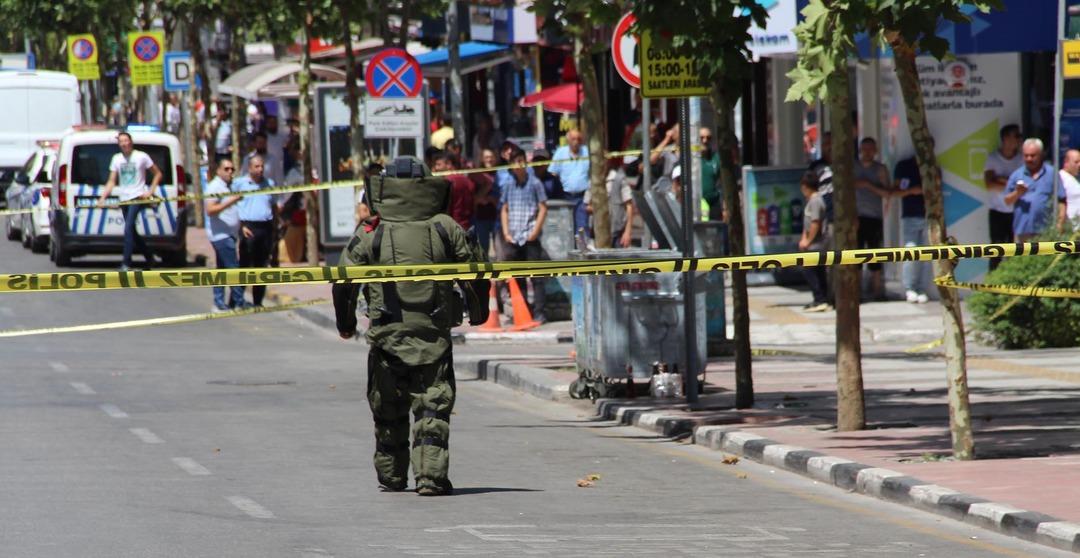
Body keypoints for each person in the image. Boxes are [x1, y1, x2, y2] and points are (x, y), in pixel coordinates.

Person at [332, 157, 477, 496]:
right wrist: (480, 312)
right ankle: (430, 477)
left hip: (387, 340)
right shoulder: (445, 227)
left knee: (388, 411)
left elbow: (343, 283)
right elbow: (476, 272)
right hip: (433, 338)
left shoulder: (371, 230)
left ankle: (392, 475)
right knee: (432, 410)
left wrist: (345, 324)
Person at [97, 132, 163, 271]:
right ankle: (149, 257)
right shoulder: (116, 159)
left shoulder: (141, 156)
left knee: (128, 229)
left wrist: (150, 191)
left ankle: (126, 263)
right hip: (124, 198)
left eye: (126, 140)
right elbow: (111, 180)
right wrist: (103, 197)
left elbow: (157, 174)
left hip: (137, 196)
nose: (124, 144)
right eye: (121, 141)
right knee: (132, 230)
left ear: (131, 142)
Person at [501, 149, 548, 323]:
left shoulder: (535, 183)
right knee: (517, 277)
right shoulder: (508, 184)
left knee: (536, 277)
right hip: (514, 237)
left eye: (521, 160)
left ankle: (540, 312)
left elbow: (543, 207)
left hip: (530, 236)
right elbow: (504, 209)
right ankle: (523, 312)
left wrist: (535, 231)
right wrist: (506, 232)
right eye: (515, 161)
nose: (518, 164)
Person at [233, 156, 277, 307]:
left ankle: (258, 302)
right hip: (248, 227)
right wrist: (241, 226)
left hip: (265, 227)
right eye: (257, 166)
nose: (260, 169)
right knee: (244, 265)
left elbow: (273, 206)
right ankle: (236, 300)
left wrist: (274, 229)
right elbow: (232, 206)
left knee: (261, 266)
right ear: (250, 168)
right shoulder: (240, 184)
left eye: (262, 166)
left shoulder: (269, 184)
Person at [204, 159, 245, 312]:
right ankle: (239, 302)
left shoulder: (228, 186)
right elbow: (210, 210)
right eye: (226, 169)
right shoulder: (214, 187)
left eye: (232, 169)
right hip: (221, 235)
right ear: (218, 171)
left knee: (222, 270)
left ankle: (219, 302)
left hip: (229, 234)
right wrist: (232, 200)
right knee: (233, 269)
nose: (230, 172)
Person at [854, 137, 892, 301]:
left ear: (875, 151)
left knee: (875, 255)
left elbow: (888, 193)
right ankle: (856, 292)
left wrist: (868, 185)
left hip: (874, 217)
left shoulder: (880, 169)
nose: (867, 153)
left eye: (870, 149)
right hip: (856, 218)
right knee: (856, 256)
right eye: (864, 149)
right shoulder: (853, 167)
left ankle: (877, 291)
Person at [1003, 138, 1061, 243]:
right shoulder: (1017, 175)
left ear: (1041, 155)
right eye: (1026, 155)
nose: (1029, 159)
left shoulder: (1051, 173)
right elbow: (1007, 201)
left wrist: (1060, 224)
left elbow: (1062, 200)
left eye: (1033, 155)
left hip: (1046, 231)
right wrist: (1018, 193)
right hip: (1023, 231)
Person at [984, 124, 1022, 269]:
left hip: (1016, 212)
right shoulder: (993, 158)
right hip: (997, 212)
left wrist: (1000, 180)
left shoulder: (1021, 159)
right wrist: (1012, 184)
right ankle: (993, 282)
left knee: (1013, 253)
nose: (1018, 140)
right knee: (996, 252)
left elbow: (1024, 186)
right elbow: (989, 184)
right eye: (1016, 136)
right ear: (1005, 138)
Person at [893, 156, 930, 304]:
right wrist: (911, 191)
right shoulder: (904, 165)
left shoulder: (931, 166)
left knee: (927, 255)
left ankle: (921, 288)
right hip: (910, 216)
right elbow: (894, 191)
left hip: (930, 216)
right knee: (911, 251)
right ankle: (909, 288)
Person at [797, 171, 830, 312]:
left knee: (809, 270)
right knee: (818, 271)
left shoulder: (815, 201)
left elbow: (815, 223)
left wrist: (808, 241)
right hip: (814, 243)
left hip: (817, 244)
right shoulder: (812, 200)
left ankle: (820, 299)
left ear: (805, 186)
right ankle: (822, 299)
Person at [587, 157, 635, 248]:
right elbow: (587, 206)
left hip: (618, 233)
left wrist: (628, 232)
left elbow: (629, 206)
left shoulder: (619, 179)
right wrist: (598, 209)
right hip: (598, 234)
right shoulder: (592, 181)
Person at [549, 129, 590, 233]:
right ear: (568, 140)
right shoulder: (560, 153)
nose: (576, 142)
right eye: (573, 139)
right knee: (565, 227)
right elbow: (552, 173)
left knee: (582, 227)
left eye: (578, 139)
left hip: (582, 197)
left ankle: (582, 243)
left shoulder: (587, 152)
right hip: (565, 197)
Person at [433, 151, 474, 230]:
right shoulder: (467, 180)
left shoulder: (446, 182)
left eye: (438, 164)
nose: (436, 168)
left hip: (451, 227)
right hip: (467, 225)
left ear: (449, 164)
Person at [472, 148, 500, 255]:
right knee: (482, 251)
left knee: (500, 251)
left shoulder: (500, 174)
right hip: (481, 218)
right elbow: (474, 199)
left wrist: (491, 200)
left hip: (497, 219)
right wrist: (483, 194)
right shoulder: (477, 175)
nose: (489, 159)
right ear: (482, 159)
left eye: (491, 157)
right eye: (486, 157)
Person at [699, 127, 722, 221]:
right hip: (696, 204)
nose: (705, 141)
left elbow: (722, 181)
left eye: (708, 138)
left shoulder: (716, 158)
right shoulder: (690, 158)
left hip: (714, 203)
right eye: (702, 137)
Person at [1057, 148, 1080, 233]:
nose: (1079, 165)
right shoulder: (1060, 177)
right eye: (1076, 162)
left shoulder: (1076, 179)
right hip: (1070, 229)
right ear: (1066, 162)